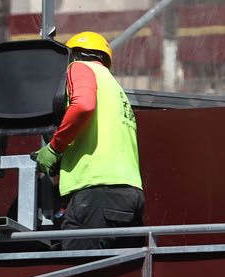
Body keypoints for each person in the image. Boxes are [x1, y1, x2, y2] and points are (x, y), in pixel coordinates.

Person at [33, 31, 144, 249]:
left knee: (80, 271)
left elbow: (83, 105)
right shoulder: (114, 88)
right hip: (129, 196)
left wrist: (55, 148)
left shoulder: (80, 68)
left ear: (71, 55)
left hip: (98, 193)